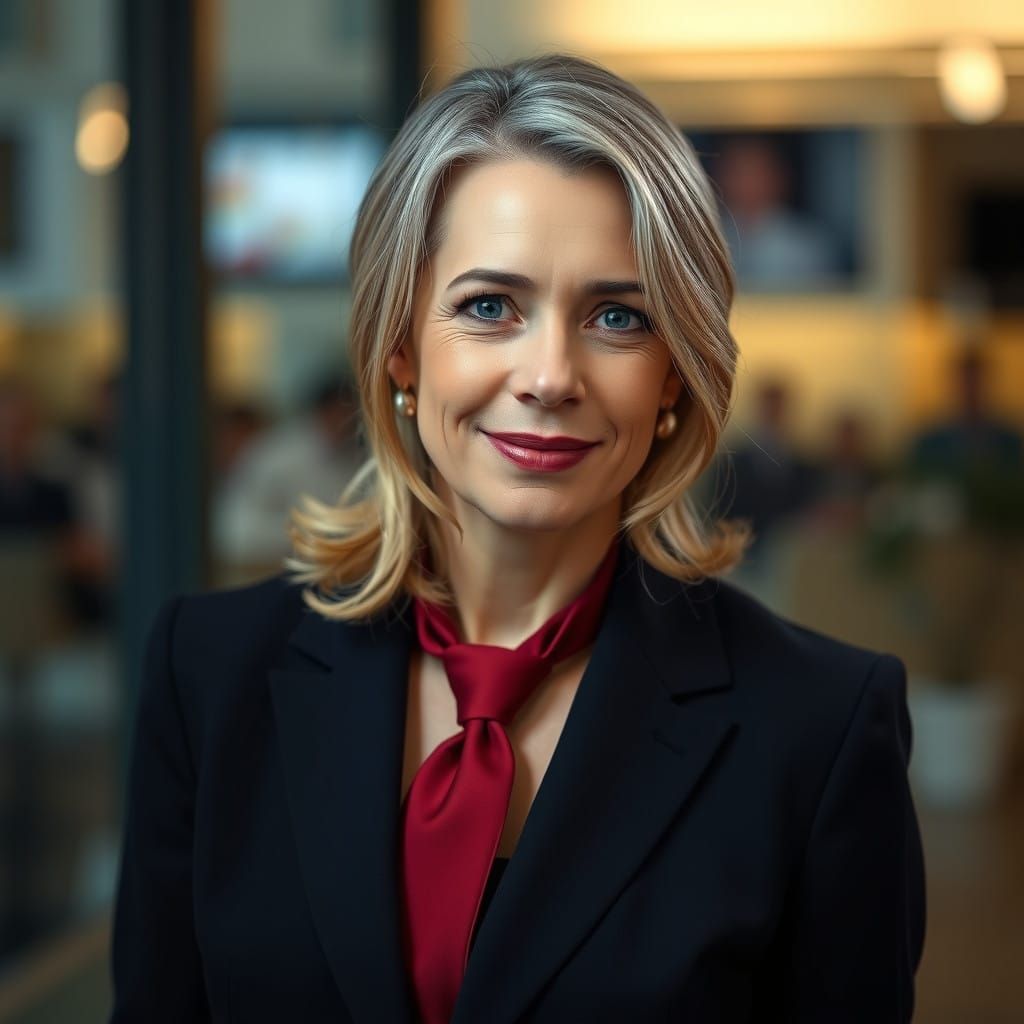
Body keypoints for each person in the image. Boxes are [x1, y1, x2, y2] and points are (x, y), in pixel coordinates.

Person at [109, 54, 926, 1023]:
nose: (549, 376)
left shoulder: (820, 725)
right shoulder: (208, 674)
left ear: (674, 372)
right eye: (489, 307)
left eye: (617, 317)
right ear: (401, 346)